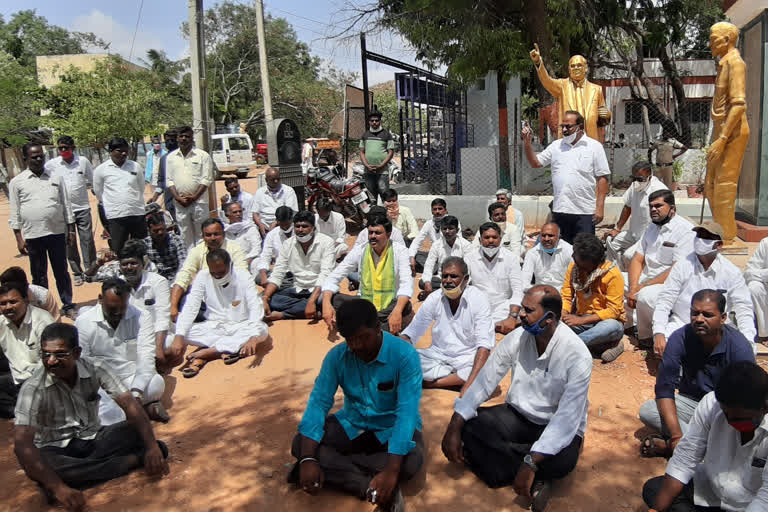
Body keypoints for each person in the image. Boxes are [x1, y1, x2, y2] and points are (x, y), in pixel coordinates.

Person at [442, 286, 591, 511]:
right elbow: (485, 381)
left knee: (563, 461)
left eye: (528, 310)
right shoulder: (517, 338)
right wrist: (454, 425)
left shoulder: (577, 355)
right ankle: (534, 476)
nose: (521, 314)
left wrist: (532, 460)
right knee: (470, 426)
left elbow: (566, 421)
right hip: (518, 416)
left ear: (549, 318)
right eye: (522, 307)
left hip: (554, 425)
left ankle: (509, 464)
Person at [13, 323, 169, 510]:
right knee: (42, 462)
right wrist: (60, 488)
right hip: (56, 449)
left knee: (142, 435)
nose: (51, 360)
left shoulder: (96, 367)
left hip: (96, 439)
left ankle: (72, 479)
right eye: (46, 354)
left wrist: (151, 447)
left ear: (77, 353)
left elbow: (130, 404)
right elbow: (22, 445)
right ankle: (131, 460)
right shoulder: (32, 388)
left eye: (60, 354)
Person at [289, 298, 423, 511]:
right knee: (300, 444)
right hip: (353, 424)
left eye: (363, 337)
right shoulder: (336, 357)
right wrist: (306, 458)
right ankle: (368, 486)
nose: (357, 346)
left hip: (391, 429)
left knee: (410, 463)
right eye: (350, 340)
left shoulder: (405, 356)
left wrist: (392, 470)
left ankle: (339, 467)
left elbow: (406, 415)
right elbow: (318, 402)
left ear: (378, 328)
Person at [639, 290, 755, 459]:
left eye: (707, 315)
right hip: (691, 403)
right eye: (695, 313)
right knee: (648, 410)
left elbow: (746, 401)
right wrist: (677, 436)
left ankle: (685, 450)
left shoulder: (739, 348)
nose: (699, 319)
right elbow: (665, 390)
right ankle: (698, 451)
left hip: (724, 410)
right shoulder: (680, 337)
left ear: (723, 318)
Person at [642, 361, 768, 512]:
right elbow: (685, 458)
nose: (730, 421)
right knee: (655, 490)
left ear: (765, 407)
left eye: (739, 419)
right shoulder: (711, 405)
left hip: (752, 505)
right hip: (712, 496)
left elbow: (765, 498)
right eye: (726, 414)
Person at [652, 222, 755, 357]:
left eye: (706, 237)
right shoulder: (681, 266)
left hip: (718, 328)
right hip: (683, 323)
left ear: (718, 245)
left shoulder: (731, 272)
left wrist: (747, 340)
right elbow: (665, 300)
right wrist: (658, 332)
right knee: (668, 347)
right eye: (699, 235)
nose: (700, 239)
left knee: (739, 354)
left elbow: (743, 308)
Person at [76, 279, 168, 424]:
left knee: (156, 383)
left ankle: (130, 412)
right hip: (102, 385)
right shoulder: (84, 322)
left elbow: (146, 359)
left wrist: (136, 395)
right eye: (112, 308)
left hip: (131, 379)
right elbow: (83, 364)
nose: (118, 313)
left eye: (122, 307)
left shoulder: (142, 317)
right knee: (102, 410)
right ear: (100, 299)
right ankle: (142, 412)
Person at [170, 249, 270, 378]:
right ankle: (224, 349)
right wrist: (179, 336)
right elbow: (190, 307)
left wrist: (253, 336)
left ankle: (209, 352)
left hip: (240, 325)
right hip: (213, 327)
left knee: (262, 330)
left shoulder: (243, 276)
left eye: (221, 272)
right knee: (176, 331)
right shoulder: (203, 276)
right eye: (214, 273)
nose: (217, 276)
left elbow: (255, 306)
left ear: (230, 265)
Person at [401, 257, 494, 394]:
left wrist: (468, 386)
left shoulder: (478, 299)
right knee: (405, 358)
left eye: (454, 276)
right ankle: (452, 380)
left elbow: (484, 346)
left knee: (488, 368)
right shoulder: (435, 297)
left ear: (466, 279)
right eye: (445, 276)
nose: (448, 281)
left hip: (467, 358)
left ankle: (434, 383)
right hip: (437, 357)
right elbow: (412, 332)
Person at [9, 143, 76, 319]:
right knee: (38, 275)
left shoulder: (56, 177)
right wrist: (18, 238)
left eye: (41, 156)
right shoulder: (17, 182)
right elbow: (15, 211)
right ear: (25, 159)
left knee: (61, 271)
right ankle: (43, 308)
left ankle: (68, 304)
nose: (39, 159)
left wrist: (70, 230)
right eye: (34, 156)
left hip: (56, 232)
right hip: (33, 235)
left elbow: (66, 204)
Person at [522, 111, 611, 243]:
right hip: (560, 210)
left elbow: (602, 178)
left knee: (584, 252)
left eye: (568, 126)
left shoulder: (594, 147)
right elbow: (536, 163)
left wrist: (600, 208)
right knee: (560, 251)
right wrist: (527, 143)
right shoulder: (556, 146)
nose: (564, 130)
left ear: (580, 126)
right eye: (562, 126)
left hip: (584, 212)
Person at [323, 215, 413, 334]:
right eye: (370, 233)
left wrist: (397, 311)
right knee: (335, 299)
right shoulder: (360, 250)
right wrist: (326, 304)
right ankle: (374, 326)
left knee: (404, 305)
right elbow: (335, 276)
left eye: (377, 233)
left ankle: (364, 326)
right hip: (364, 303)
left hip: (389, 304)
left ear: (389, 234)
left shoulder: (400, 251)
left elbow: (407, 284)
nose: (373, 237)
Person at [627, 190, 696, 347]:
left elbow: (676, 270)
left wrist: (640, 288)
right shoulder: (651, 228)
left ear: (672, 208)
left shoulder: (685, 231)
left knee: (644, 296)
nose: (653, 209)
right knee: (616, 280)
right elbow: (637, 259)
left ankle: (646, 337)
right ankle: (630, 326)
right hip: (646, 278)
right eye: (651, 206)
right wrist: (633, 287)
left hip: (668, 284)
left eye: (658, 205)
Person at [561, 232, 626, 363]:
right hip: (580, 319)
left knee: (611, 327)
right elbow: (567, 294)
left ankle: (568, 347)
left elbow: (613, 311)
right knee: (553, 324)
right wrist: (563, 314)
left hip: (604, 323)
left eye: (580, 262)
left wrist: (581, 321)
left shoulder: (612, 274)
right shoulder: (575, 267)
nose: (574, 261)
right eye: (574, 256)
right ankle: (602, 346)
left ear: (592, 263)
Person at [262, 211, 335, 321]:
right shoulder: (288, 244)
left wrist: (312, 300)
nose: (300, 230)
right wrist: (265, 298)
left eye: (305, 226)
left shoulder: (326, 242)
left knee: (330, 300)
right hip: (297, 289)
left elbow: (325, 273)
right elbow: (278, 272)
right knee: (263, 299)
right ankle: (311, 310)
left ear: (314, 228)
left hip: (318, 291)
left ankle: (284, 314)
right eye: (297, 226)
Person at [529, 44, 611, 142]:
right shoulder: (562, 86)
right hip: (568, 141)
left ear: (586, 68)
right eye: (573, 66)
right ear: (569, 70)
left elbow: (602, 116)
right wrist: (538, 62)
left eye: (579, 65)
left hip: (590, 141)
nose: (576, 68)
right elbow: (547, 81)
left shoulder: (597, 89)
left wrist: (607, 115)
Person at [171, 218, 248, 321]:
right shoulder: (196, 251)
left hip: (230, 296)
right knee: (186, 305)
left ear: (224, 234)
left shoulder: (235, 249)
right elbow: (184, 276)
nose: (212, 238)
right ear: (202, 237)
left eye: (216, 234)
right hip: (204, 300)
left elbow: (242, 274)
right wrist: (173, 307)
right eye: (208, 235)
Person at [45, 136, 97, 287]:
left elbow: (92, 180)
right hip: (63, 211)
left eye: (65, 148)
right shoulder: (52, 165)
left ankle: (91, 270)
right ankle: (77, 273)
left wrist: (99, 194)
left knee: (87, 239)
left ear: (72, 148)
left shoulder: (82, 162)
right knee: (70, 242)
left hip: (82, 208)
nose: (63, 151)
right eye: (60, 148)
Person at [117, 241, 173, 375]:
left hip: (156, 336)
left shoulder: (159, 282)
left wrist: (158, 350)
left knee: (169, 346)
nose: (129, 267)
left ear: (143, 264)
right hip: (130, 338)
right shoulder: (118, 285)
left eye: (133, 263)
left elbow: (162, 317)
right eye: (125, 264)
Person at [0, 282, 55, 418]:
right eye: (3, 303)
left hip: (42, 382)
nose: (8, 307)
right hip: (15, 378)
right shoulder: (2, 323)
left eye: (13, 302)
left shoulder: (43, 321)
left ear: (25, 300)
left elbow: (51, 364)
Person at [604, 161, 668, 271]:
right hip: (633, 233)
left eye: (640, 179)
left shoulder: (659, 191)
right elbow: (627, 206)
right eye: (634, 178)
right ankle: (613, 271)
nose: (636, 182)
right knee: (611, 241)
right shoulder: (634, 186)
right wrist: (617, 228)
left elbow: (665, 216)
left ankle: (630, 279)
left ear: (650, 176)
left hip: (648, 237)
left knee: (629, 256)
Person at [465, 222, 524, 334]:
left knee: (525, 308)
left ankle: (484, 326)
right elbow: (463, 285)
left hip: (503, 307)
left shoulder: (511, 259)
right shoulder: (469, 258)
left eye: (494, 237)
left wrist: (512, 317)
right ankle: (496, 326)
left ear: (500, 238)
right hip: (478, 305)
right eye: (486, 237)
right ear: (480, 239)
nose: (491, 241)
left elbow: (517, 290)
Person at [93, 137, 148, 255]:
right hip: (116, 216)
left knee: (141, 248)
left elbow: (141, 187)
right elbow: (99, 192)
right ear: (110, 151)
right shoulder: (101, 170)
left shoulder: (135, 166)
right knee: (119, 250)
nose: (124, 153)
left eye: (125, 150)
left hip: (136, 213)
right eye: (119, 151)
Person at [166, 125, 215, 249]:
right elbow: (169, 180)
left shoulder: (202, 156)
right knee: (184, 234)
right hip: (180, 204)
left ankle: (203, 262)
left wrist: (194, 197)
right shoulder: (171, 158)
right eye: (181, 136)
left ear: (192, 139)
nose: (184, 139)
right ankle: (189, 263)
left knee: (202, 233)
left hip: (199, 203)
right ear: (177, 138)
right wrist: (178, 198)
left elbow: (206, 179)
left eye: (187, 136)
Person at [419, 215, 473, 299]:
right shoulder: (436, 245)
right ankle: (450, 293)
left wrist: (461, 283)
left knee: (472, 283)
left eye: (451, 228)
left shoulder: (466, 245)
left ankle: (437, 294)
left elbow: (468, 269)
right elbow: (429, 265)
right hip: (442, 279)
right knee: (422, 282)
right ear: (441, 230)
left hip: (459, 280)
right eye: (444, 229)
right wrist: (427, 283)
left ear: (457, 230)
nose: (447, 231)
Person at [409, 198, 460, 274]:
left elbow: (458, 243)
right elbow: (417, 241)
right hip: (435, 255)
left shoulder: (453, 222)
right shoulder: (429, 224)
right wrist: (411, 257)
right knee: (417, 255)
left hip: (450, 256)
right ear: (431, 211)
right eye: (435, 209)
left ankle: (437, 269)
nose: (437, 212)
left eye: (440, 209)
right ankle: (436, 269)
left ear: (445, 210)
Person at [521, 223, 573, 291]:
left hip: (563, 294)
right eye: (543, 235)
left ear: (559, 237)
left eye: (550, 235)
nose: (546, 239)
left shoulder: (569, 251)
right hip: (541, 294)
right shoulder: (532, 253)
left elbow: (575, 279)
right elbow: (524, 280)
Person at [250, 167, 299, 238]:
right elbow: (255, 213)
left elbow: (290, 211)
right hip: (264, 226)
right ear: (266, 180)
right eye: (273, 180)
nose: (276, 181)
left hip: (283, 224)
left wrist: (275, 224)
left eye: (278, 179)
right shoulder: (260, 192)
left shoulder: (288, 191)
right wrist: (261, 226)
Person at [359, 110, 395, 203]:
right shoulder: (365, 135)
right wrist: (367, 165)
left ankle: (386, 216)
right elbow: (362, 152)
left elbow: (390, 152)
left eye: (376, 120)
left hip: (382, 172)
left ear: (380, 121)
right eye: (372, 121)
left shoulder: (387, 135)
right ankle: (373, 216)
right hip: (368, 172)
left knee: (385, 195)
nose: (374, 122)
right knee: (371, 197)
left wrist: (381, 165)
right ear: (369, 122)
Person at [255, 205, 295, 287]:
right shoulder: (272, 235)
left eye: (287, 224)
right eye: (282, 224)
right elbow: (265, 256)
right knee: (258, 278)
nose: (284, 227)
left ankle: (278, 286)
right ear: (277, 221)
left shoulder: (300, 231)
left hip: (298, 271)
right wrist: (263, 276)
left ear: (292, 219)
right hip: (280, 272)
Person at [144, 211, 188, 282]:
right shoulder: (145, 244)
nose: (160, 233)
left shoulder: (176, 240)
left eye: (162, 229)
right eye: (156, 231)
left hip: (176, 277)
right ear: (149, 231)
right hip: (155, 280)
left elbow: (183, 262)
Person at [223, 201, 262, 275]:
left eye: (240, 211)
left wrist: (245, 260)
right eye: (235, 212)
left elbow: (256, 248)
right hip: (231, 263)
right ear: (227, 215)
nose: (238, 214)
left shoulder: (250, 228)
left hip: (249, 261)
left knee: (257, 262)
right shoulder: (224, 231)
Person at [147, 128, 178, 219]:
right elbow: (161, 181)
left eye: (173, 140)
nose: (170, 142)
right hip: (170, 201)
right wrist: (155, 196)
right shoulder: (164, 159)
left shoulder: (187, 157)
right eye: (167, 140)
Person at [745, 236, 768, 345]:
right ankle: (765, 334)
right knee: (754, 287)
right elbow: (749, 273)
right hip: (766, 285)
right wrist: (765, 274)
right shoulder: (766, 243)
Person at [314, 196, 348, 261]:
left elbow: (341, 238)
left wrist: (329, 248)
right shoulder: (314, 219)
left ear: (329, 211)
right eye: (319, 213)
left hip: (334, 248)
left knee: (343, 247)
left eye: (323, 214)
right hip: (319, 249)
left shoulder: (338, 218)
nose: (321, 216)